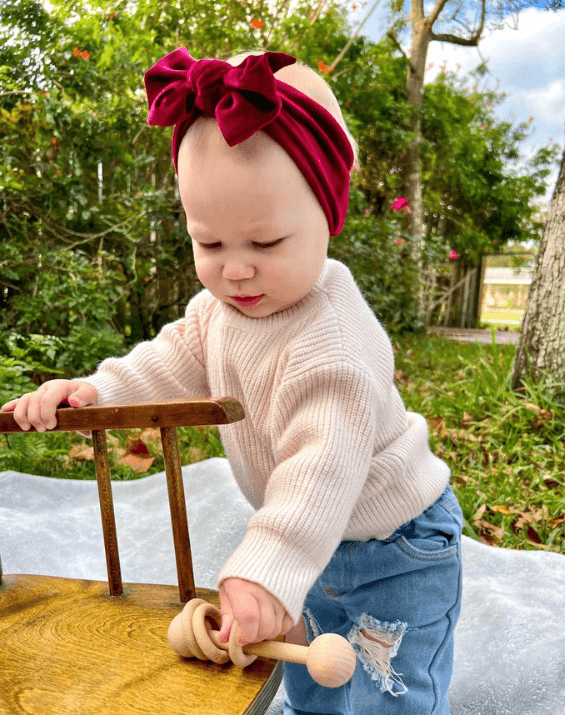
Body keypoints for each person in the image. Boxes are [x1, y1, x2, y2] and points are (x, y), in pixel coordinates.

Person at [1, 48, 463, 714]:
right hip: (310, 542)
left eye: (266, 243)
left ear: (326, 216)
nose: (236, 270)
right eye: (209, 244)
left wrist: (262, 569)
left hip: (394, 547)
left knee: (387, 687)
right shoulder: (218, 312)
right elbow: (167, 360)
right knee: (310, 676)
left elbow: (319, 470)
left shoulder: (332, 341)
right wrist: (101, 390)